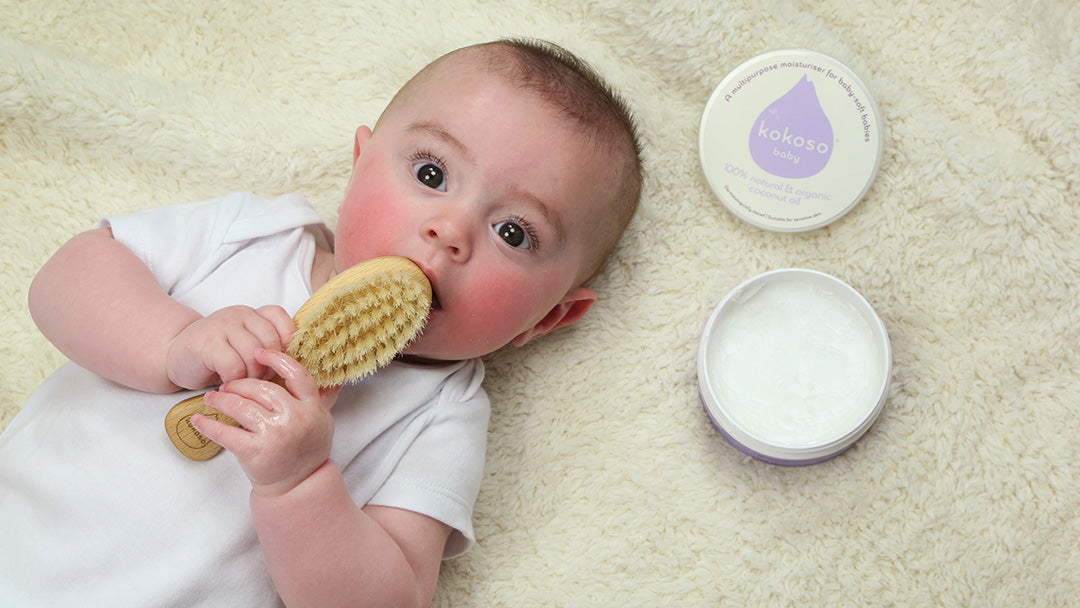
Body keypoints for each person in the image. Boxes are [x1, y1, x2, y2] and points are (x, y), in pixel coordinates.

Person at [0, 38, 642, 606]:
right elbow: (64, 280)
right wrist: (169, 341)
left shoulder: (441, 418)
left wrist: (301, 484)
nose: (449, 231)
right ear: (361, 162)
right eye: (431, 173)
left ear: (548, 318)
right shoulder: (254, 233)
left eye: (512, 232)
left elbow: (389, 599)